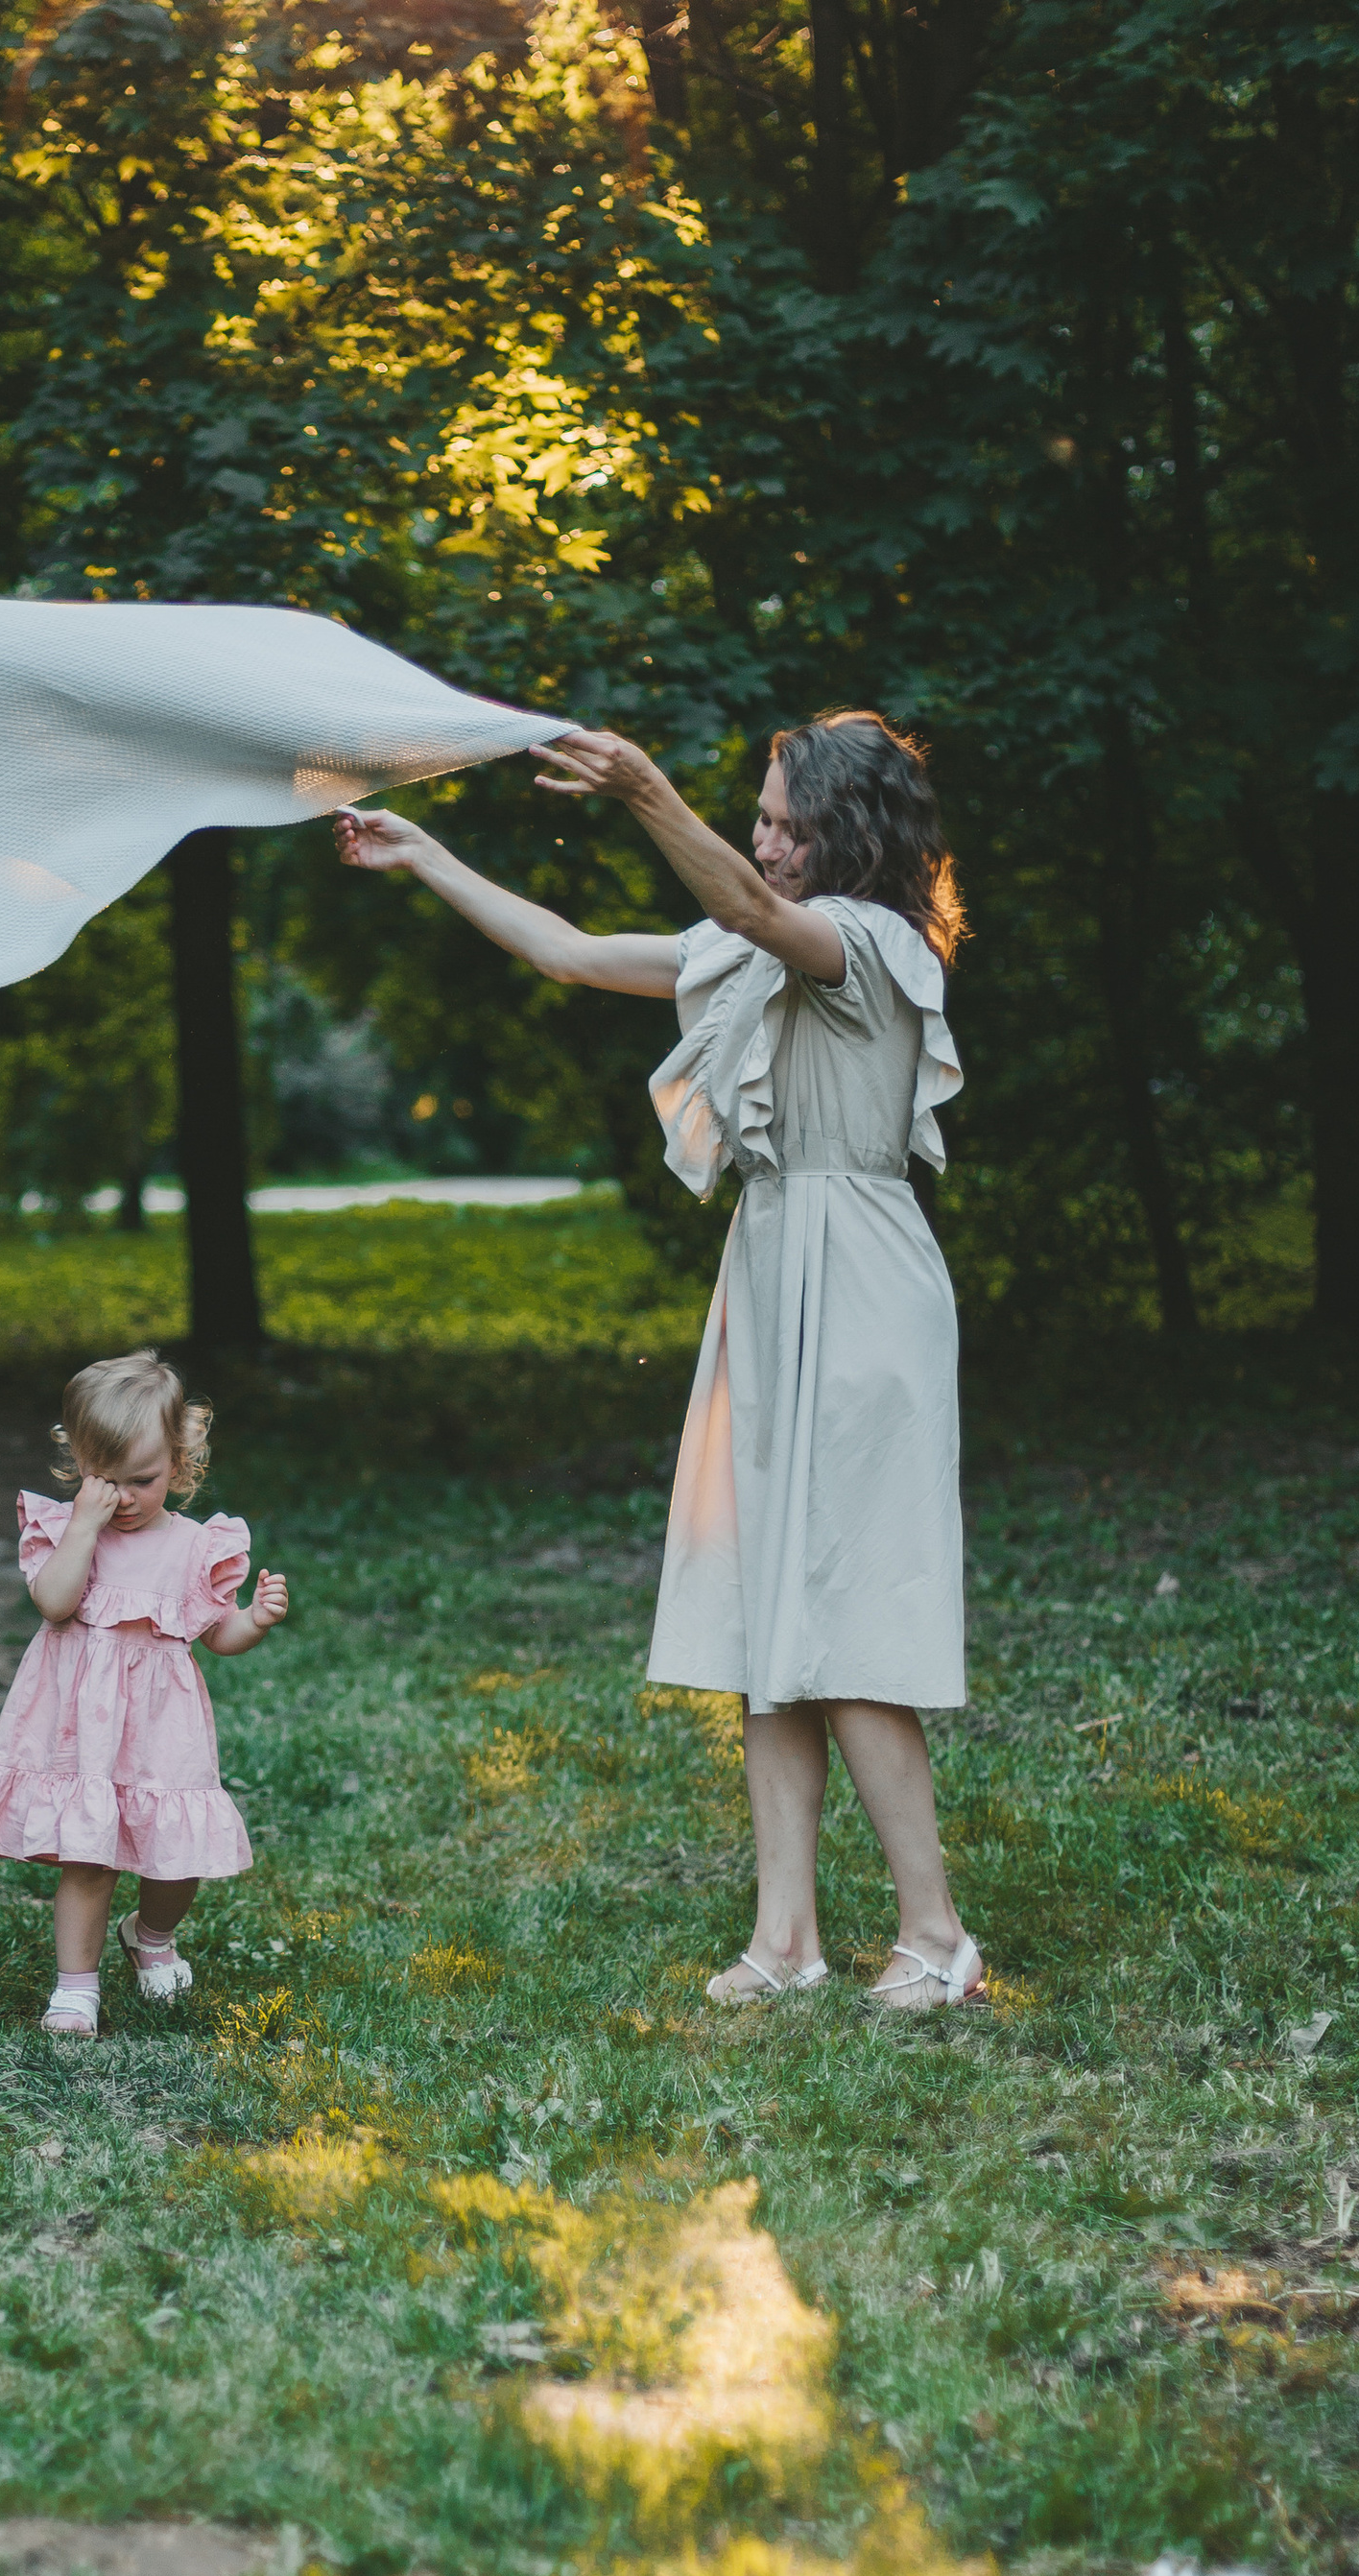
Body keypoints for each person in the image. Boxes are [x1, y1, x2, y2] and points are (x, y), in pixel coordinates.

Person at [337, 709, 984, 2015]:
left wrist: (640, 788)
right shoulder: (757, 949)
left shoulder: (865, 943)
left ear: (847, 834)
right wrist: (428, 857)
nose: (765, 838)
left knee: (849, 1621)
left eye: (788, 821)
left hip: (857, 1279)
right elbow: (573, 956)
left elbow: (748, 906)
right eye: (759, 815)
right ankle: (786, 1940)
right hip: (773, 1269)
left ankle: (939, 1937)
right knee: (770, 1623)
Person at [0, 1349, 289, 2037]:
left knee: (175, 1855)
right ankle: (76, 1989)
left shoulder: (196, 1546)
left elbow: (216, 1635)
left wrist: (253, 1619)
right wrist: (83, 1525)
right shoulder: (68, 1532)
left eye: (144, 1480)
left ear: (180, 1465)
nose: (125, 1498)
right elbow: (54, 1603)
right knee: (89, 1855)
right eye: (107, 1480)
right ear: (78, 1462)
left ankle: (152, 1932)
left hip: (163, 1729)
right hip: (81, 1729)